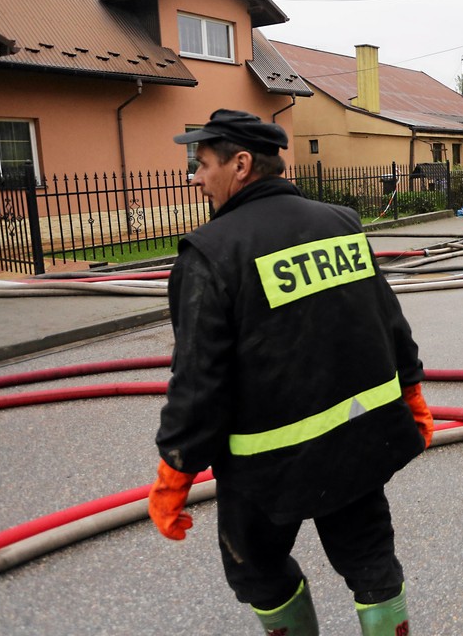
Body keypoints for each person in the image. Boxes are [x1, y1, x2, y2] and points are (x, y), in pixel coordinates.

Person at [147, 109, 433, 636]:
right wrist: (412, 392)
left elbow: (197, 379)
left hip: (264, 471)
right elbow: (389, 321)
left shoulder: (211, 253)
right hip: (357, 444)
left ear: (239, 165)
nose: (194, 177)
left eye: (201, 163)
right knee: (372, 565)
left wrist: (175, 471)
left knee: (260, 574)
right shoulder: (340, 223)